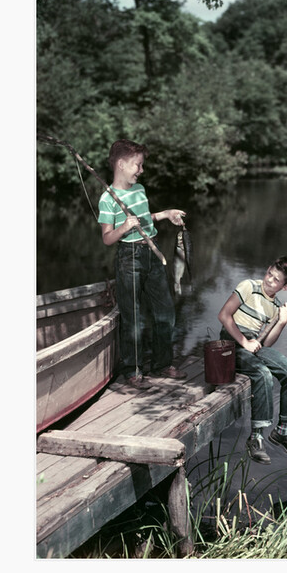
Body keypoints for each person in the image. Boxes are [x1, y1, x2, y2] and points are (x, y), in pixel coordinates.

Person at [98, 138, 187, 389]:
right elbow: (107, 238)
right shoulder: (107, 199)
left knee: (165, 312)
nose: (141, 170)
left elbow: (145, 219)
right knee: (133, 317)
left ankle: (161, 363)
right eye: (138, 165)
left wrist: (166, 214)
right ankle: (133, 369)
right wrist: (124, 227)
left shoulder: (139, 190)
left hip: (153, 252)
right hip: (129, 257)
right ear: (122, 164)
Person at [218, 257, 287, 464]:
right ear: (267, 269)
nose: (269, 281)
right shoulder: (248, 286)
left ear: (286, 287)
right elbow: (223, 315)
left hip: (254, 345)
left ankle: (283, 430)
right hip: (231, 342)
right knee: (263, 374)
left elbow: (266, 344)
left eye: (276, 280)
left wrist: (282, 321)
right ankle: (256, 437)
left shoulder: (275, 306)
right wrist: (244, 342)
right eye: (270, 274)